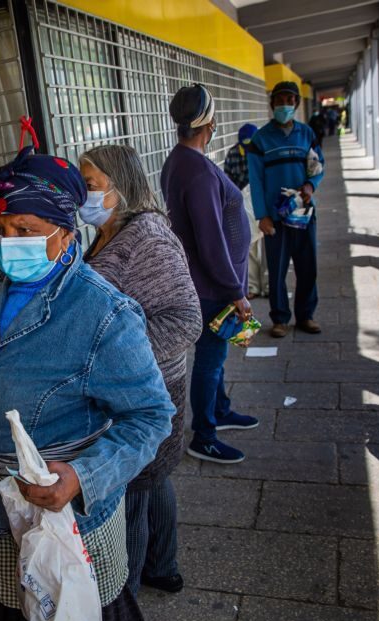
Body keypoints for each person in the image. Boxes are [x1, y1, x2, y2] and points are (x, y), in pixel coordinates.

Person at [0, 144, 175, 621]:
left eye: (24, 229)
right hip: (1, 504)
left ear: (66, 231)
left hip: (68, 514)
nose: (7, 243)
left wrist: (83, 474)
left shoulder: (103, 312)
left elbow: (152, 416)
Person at [78, 144, 202, 596]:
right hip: (128, 388)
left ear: (120, 185)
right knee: (152, 477)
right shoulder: (108, 231)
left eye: (90, 186)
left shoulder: (146, 236)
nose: (83, 195)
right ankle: (162, 566)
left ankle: (120, 599)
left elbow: (186, 319)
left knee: (130, 489)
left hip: (149, 388)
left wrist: (118, 351)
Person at [161, 84, 259, 465]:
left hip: (206, 281)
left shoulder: (180, 160)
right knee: (210, 359)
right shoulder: (196, 170)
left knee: (213, 356)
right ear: (211, 122)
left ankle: (219, 409)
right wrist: (235, 290)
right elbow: (210, 238)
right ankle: (204, 434)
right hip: (212, 286)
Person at [248, 80, 327, 338]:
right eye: (279, 101)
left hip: (303, 215)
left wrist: (310, 186)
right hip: (276, 218)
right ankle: (280, 318)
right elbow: (256, 180)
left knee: (307, 267)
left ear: (296, 103)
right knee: (277, 269)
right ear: (272, 104)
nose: (284, 105)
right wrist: (262, 216)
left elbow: (317, 166)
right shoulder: (260, 140)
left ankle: (306, 315)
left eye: (289, 101)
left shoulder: (307, 134)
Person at [223, 123, 268, 298]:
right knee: (248, 248)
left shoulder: (264, 151)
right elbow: (228, 181)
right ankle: (253, 287)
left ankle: (268, 285)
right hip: (243, 206)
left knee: (265, 249)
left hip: (262, 204)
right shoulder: (233, 154)